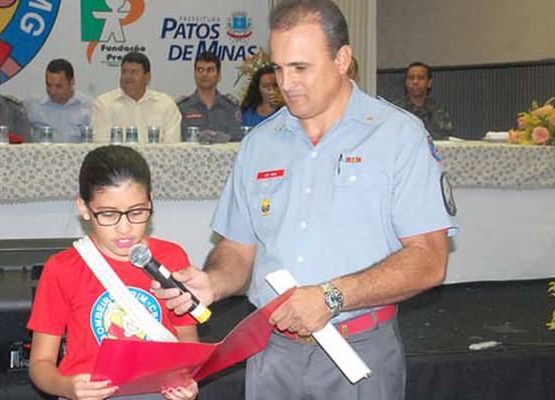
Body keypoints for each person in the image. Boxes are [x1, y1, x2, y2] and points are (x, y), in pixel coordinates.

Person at [154, 1, 457, 400]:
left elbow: (429, 259)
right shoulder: (259, 144)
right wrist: (212, 282)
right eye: (279, 69)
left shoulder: (398, 136)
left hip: (358, 353)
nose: (286, 83)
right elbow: (237, 250)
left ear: (342, 59)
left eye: (301, 67)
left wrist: (332, 297)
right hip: (272, 354)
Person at [27, 145, 198, 400]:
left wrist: (187, 379)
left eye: (137, 212)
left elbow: (187, 341)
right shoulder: (63, 268)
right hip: (88, 393)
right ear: (84, 208)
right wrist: (67, 387)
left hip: (156, 391)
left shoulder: (171, 257)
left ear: (150, 200)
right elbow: (40, 363)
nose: (124, 229)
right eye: (108, 214)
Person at [91, 52, 181, 143]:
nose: (128, 76)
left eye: (134, 72)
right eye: (124, 72)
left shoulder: (165, 104)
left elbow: (172, 146)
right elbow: (101, 145)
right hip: (117, 157)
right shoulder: (104, 103)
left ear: (147, 77)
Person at [176, 51, 242, 142]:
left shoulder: (230, 107)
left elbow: (237, 140)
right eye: (200, 70)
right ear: (194, 74)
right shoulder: (182, 108)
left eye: (210, 70)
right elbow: (178, 141)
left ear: (218, 75)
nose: (204, 74)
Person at [25, 58, 94, 142]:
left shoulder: (88, 106)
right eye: (48, 85)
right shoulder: (34, 105)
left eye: (58, 86)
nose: (52, 91)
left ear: (72, 82)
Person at [393, 61, 454, 140]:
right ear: (406, 82)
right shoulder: (396, 109)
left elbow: (446, 137)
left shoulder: (438, 109)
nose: (415, 82)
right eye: (411, 78)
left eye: (420, 78)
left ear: (429, 83)